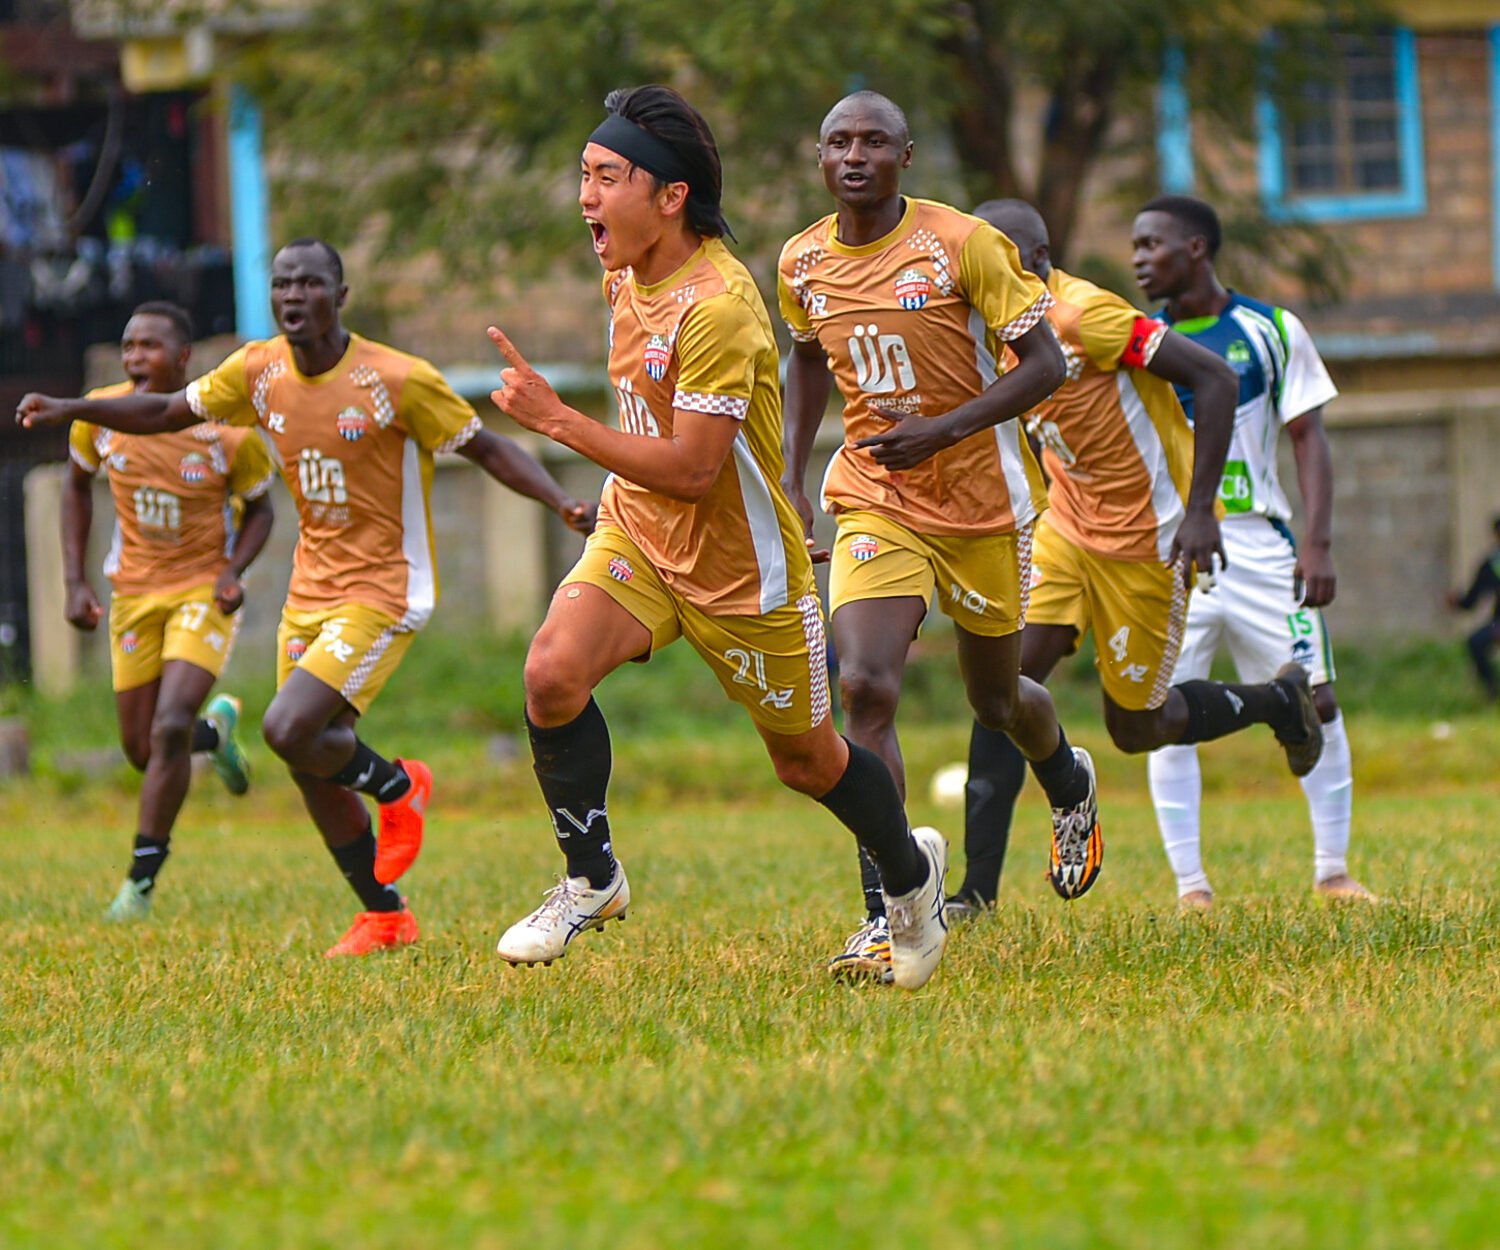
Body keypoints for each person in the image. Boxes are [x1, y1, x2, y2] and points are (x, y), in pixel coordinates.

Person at [485, 84, 949, 990]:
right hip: (639, 535)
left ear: (670, 197)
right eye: (583, 175)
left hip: (744, 573)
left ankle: (909, 875)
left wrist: (558, 421)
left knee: (807, 761)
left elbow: (698, 469)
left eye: (605, 178)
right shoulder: (623, 270)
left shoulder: (721, 310)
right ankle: (591, 879)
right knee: (550, 673)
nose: (585, 197)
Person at [20, 240, 595, 955]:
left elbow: (487, 448)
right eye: (281, 283)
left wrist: (561, 501)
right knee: (307, 756)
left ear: (339, 295)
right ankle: (385, 915)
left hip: (384, 587)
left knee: (288, 729)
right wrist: (73, 407)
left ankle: (398, 788)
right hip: (310, 586)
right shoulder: (257, 371)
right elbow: (168, 409)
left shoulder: (396, 379)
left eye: (310, 283)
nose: (293, 296)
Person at [776, 92, 1100, 981]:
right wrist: (792, 473)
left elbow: (1047, 366)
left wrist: (945, 428)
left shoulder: (965, 245)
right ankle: (892, 909)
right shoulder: (801, 259)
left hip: (985, 505)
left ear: (906, 155)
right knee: (865, 687)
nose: (854, 155)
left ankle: (1068, 779)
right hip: (875, 494)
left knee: (997, 703)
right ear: (819, 156)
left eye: (874, 140)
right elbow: (807, 361)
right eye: (838, 140)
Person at [946, 201, 1324, 917]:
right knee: (1001, 689)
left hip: (1146, 538)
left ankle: (1280, 702)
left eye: (996, 260)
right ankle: (976, 892)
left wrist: (1202, 512)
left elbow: (1213, 380)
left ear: (1036, 256)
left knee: (1135, 729)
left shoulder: (1091, 317)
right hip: (1065, 528)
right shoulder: (989, 331)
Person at [1131, 194, 1373, 906]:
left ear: (1197, 247)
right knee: (1162, 710)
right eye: (1136, 247)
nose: (1140, 260)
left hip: (1260, 546)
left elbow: (1309, 437)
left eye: (1153, 245)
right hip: (1172, 554)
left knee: (1318, 699)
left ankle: (1333, 871)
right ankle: (1191, 887)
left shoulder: (1270, 329)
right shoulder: (1138, 339)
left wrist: (1318, 544)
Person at [63, 301, 274, 920]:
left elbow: (261, 509)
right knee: (142, 748)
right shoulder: (99, 417)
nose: (135, 359)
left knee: (166, 726)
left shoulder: (226, 430)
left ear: (183, 358)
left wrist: (234, 571)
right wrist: (75, 581)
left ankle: (138, 886)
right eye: (128, 346)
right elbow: (74, 488)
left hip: (200, 594)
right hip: (133, 597)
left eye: (149, 347)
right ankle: (217, 734)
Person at [1446, 515, 1500, 700]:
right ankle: (1491, 691)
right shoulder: (1493, 563)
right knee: (1475, 642)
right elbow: (1471, 601)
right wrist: (1457, 602)